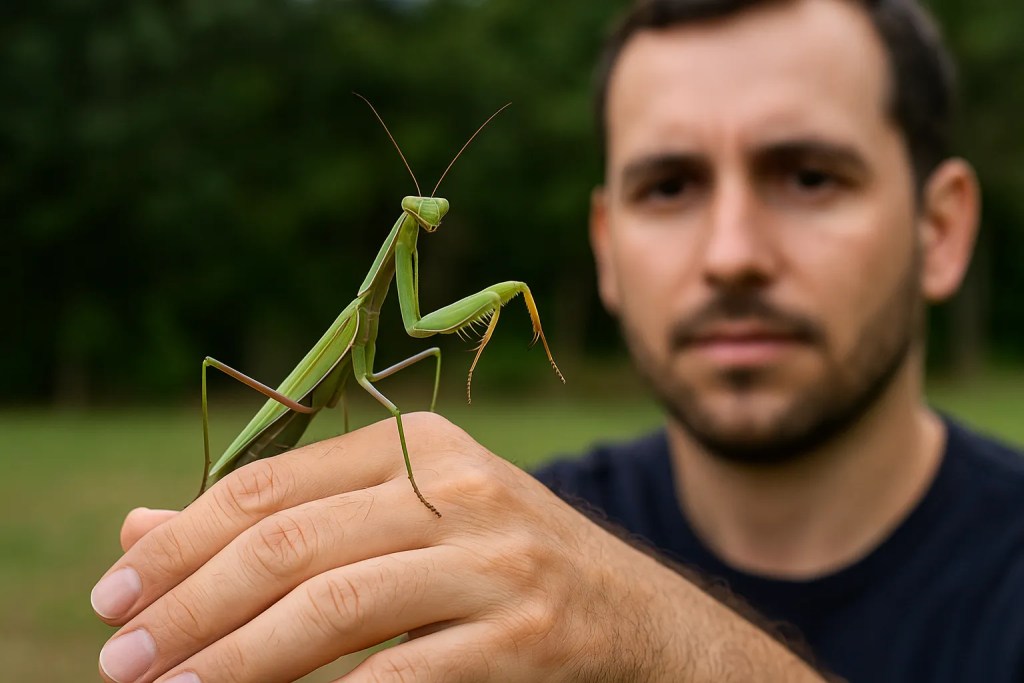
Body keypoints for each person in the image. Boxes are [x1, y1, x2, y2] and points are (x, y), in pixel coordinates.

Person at [90, 0, 1024, 681]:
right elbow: (392, 354)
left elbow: (413, 339)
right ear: (606, 246)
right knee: (240, 372)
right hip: (277, 416)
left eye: (810, 176)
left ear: (941, 228)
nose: (732, 254)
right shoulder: (509, 542)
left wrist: (668, 650)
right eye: (670, 186)